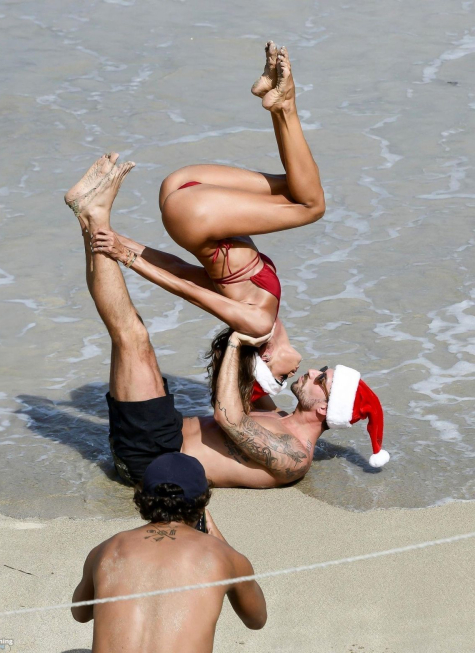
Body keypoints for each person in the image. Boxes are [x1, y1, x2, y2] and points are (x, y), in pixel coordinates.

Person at [64, 157, 389, 489]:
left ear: (324, 410)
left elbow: (229, 418)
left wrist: (237, 342)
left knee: (132, 335)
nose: (313, 372)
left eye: (322, 380)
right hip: (163, 432)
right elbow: (249, 378)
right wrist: (264, 335)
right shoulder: (275, 416)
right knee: (133, 335)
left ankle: (94, 215)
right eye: (322, 369)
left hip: (152, 458)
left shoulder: (295, 456)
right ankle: (90, 217)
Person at [80, 43, 324, 406]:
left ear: (266, 358)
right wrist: (121, 242)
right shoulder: (259, 309)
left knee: (312, 206)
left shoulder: (255, 326)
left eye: (282, 377)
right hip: (187, 198)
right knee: (298, 187)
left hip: (196, 211)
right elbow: (181, 268)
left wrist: (123, 254)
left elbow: (185, 287)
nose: (294, 373)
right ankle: (274, 98)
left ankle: (284, 102)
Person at [71, 452, 267, 653]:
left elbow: (80, 613)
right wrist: (221, 544)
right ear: (202, 503)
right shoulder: (222, 555)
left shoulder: (106, 550)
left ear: (143, 498)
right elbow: (257, 619)